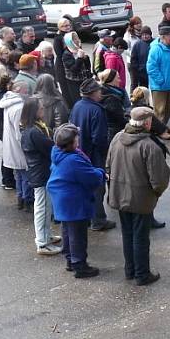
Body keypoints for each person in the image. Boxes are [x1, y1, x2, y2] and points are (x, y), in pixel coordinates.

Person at [106, 107, 170, 286]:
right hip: (141, 199)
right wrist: (155, 194)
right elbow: (159, 179)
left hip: (120, 196)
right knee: (141, 237)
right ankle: (142, 274)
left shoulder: (117, 138)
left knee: (127, 234)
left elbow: (108, 165)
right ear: (148, 123)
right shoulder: (149, 146)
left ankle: (130, 270)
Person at [47, 123, 106, 278]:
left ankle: (70, 260)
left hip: (62, 199)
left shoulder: (58, 153)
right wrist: (101, 172)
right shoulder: (72, 160)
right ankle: (80, 265)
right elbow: (91, 177)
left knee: (67, 231)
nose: (78, 140)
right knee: (77, 234)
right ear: (71, 142)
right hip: (73, 201)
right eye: (76, 138)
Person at [69, 78, 115, 231]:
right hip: (93, 156)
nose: (101, 93)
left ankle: (87, 217)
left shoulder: (77, 106)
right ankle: (98, 220)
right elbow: (99, 138)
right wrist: (105, 154)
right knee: (97, 188)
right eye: (99, 90)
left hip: (79, 153)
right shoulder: (96, 110)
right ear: (93, 93)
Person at [19, 96, 62, 255]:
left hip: (41, 172)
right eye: (41, 108)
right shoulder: (34, 132)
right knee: (43, 209)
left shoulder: (33, 128)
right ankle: (42, 243)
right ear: (34, 112)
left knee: (45, 207)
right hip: (41, 174)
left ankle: (47, 235)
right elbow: (50, 148)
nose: (43, 110)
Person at [1, 81, 32, 210]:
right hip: (18, 146)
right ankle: (27, 200)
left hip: (10, 145)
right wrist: (26, 147)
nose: (28, 93)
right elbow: (20, 131)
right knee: (26, 175)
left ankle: (20, 198)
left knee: (19, 174)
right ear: (19, 90)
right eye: (26, 90)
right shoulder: (19, 107)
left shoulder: (8, 103)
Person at [147, 26, 170, 126]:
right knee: (160, 111)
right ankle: (159, 131)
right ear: (163, 37)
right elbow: (151, 68)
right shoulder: (155, 49)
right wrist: (161, 80)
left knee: (168, 109)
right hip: (160, 87)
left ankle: (163, 127)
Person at [62, 32, 92, 108]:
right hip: (75, 83)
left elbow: (87, 66)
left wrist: (86, 58)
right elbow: (74, 70)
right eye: (74, 39)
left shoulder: (79, 50)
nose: (77, 40)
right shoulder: (67, 54)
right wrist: (80, 58)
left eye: (77, 38)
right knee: (79, 102)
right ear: (69, 41)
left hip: (84, 80)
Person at [98, 69, 131, 141]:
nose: (120, 80)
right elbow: (120, 119)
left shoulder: (113, 92)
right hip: (115, 132)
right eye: (118, 78)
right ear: (111, 79)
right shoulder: (111, 99)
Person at [53, 18, 75, 106]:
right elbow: (59, 54)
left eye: (68, 25)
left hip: (71, 64)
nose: (67, 27)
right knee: (66, 90)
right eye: (64, 26)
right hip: (62, 66)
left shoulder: (72, 34)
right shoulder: (58, 38)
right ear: (59, 27)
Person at [129, 26, 153, 92]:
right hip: (142, 74)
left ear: (150, 34)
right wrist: (138, 70)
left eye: (147, 34)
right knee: (144, 91)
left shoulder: (155, 43)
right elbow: (133, 60)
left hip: (153, 72)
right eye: (143, 35)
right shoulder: (137, 45)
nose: (145, 36)